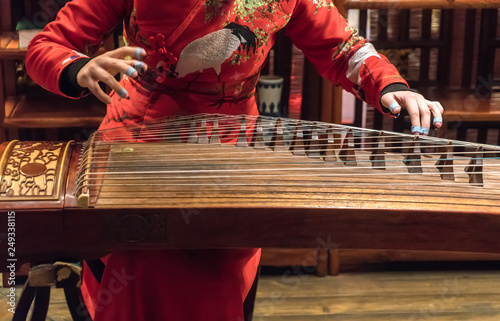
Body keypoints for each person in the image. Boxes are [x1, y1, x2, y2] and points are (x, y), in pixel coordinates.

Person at [25, 0, 444, 320]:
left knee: (221, 266)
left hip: (230, 148)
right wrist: (78, 68)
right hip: (138, 140)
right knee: (139, 256)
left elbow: (343, 48)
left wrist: (390, 84)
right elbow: (47, 46)